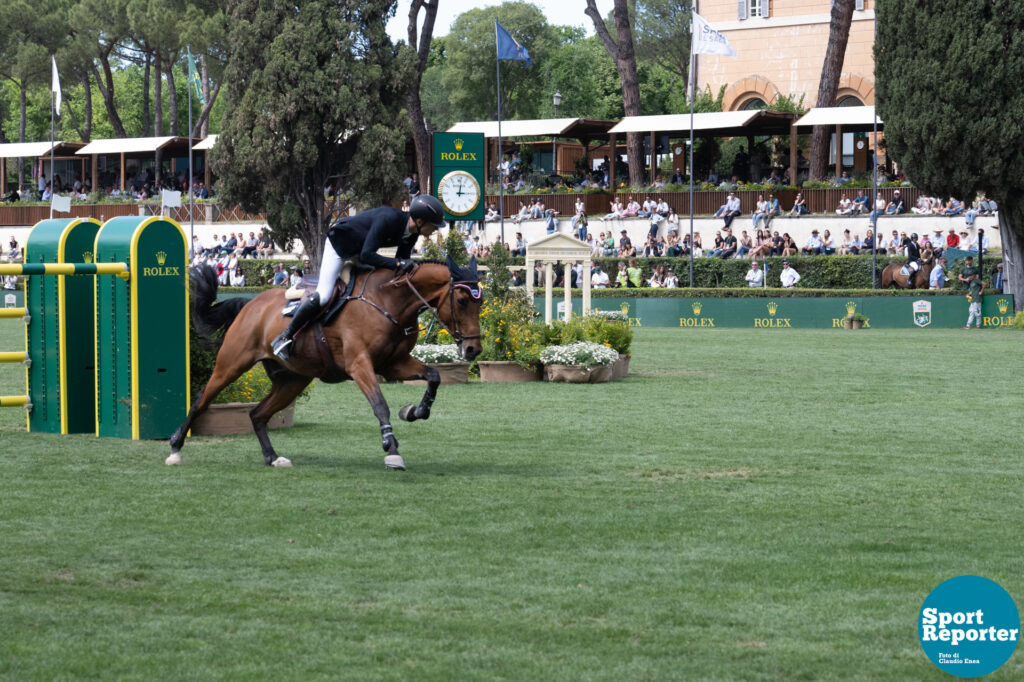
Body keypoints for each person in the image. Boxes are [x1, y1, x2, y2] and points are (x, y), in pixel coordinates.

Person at [271, 194, 447, 359]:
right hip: (339, 246)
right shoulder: (388, 219)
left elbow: (401, 263)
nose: (435, 230)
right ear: (419, 221)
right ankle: (285, 337)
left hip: (359, 251)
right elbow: (369, 257)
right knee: (324, 294)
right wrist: (399, 264)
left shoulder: (412, 233)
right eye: (434, 225)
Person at [959, 257, 985, 329]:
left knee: (976, 313)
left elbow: (984, 284)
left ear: (974, 276)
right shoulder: (971, 283)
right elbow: (972, 290)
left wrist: (981, 291)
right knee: (972, 312)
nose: (969, 277)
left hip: (978, 299)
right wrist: (968, 294)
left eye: (970, 276)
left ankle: (976, 326)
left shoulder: (977, 280)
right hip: (973, 299)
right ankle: (969, 325)